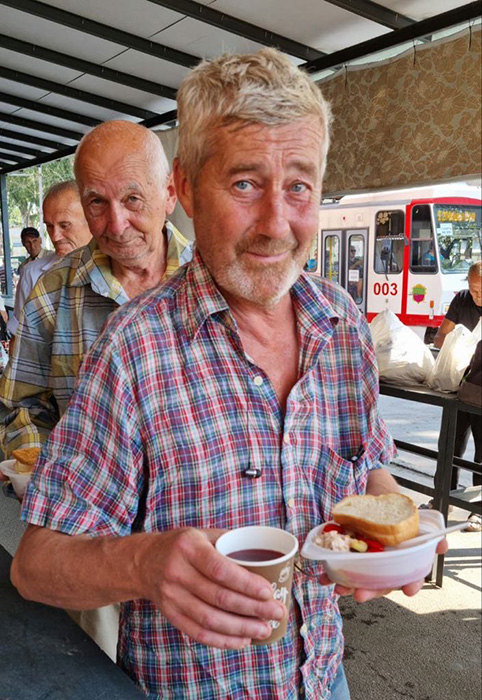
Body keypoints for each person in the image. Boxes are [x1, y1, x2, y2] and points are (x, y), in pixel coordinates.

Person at [11, 50, 446, 700]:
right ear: (183, 188)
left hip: (324, 679)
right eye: (244, 184)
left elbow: (368, 471)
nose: (276, 225)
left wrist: (397, 532)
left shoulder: (342, 324)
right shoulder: (134, 350)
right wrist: (146, 561)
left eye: (298, 185)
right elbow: (37, 567)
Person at [0, 120, 192, 458]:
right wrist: (42, 471)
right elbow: (24, 410)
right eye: (97, 203)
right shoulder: (53, 291)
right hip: (88, 505)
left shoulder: (214, 280)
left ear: (170, 195)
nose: (117, 225)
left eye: (132, 198)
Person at [431, 260, 482, 532]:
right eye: (473, 290)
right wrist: (457, 341)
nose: (477, 296)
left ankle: (479, 509)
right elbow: (440, 336)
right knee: (450, 443)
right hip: (458, 386)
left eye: (481, 291)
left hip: (481, 389)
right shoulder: (461, 300)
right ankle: (444, 496)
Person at [7, 181, 92, 338]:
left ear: (91, 219)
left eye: (65, 225)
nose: (55, 236)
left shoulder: (119, 267)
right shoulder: (32, 273)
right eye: (49, 226)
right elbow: (19, 338)